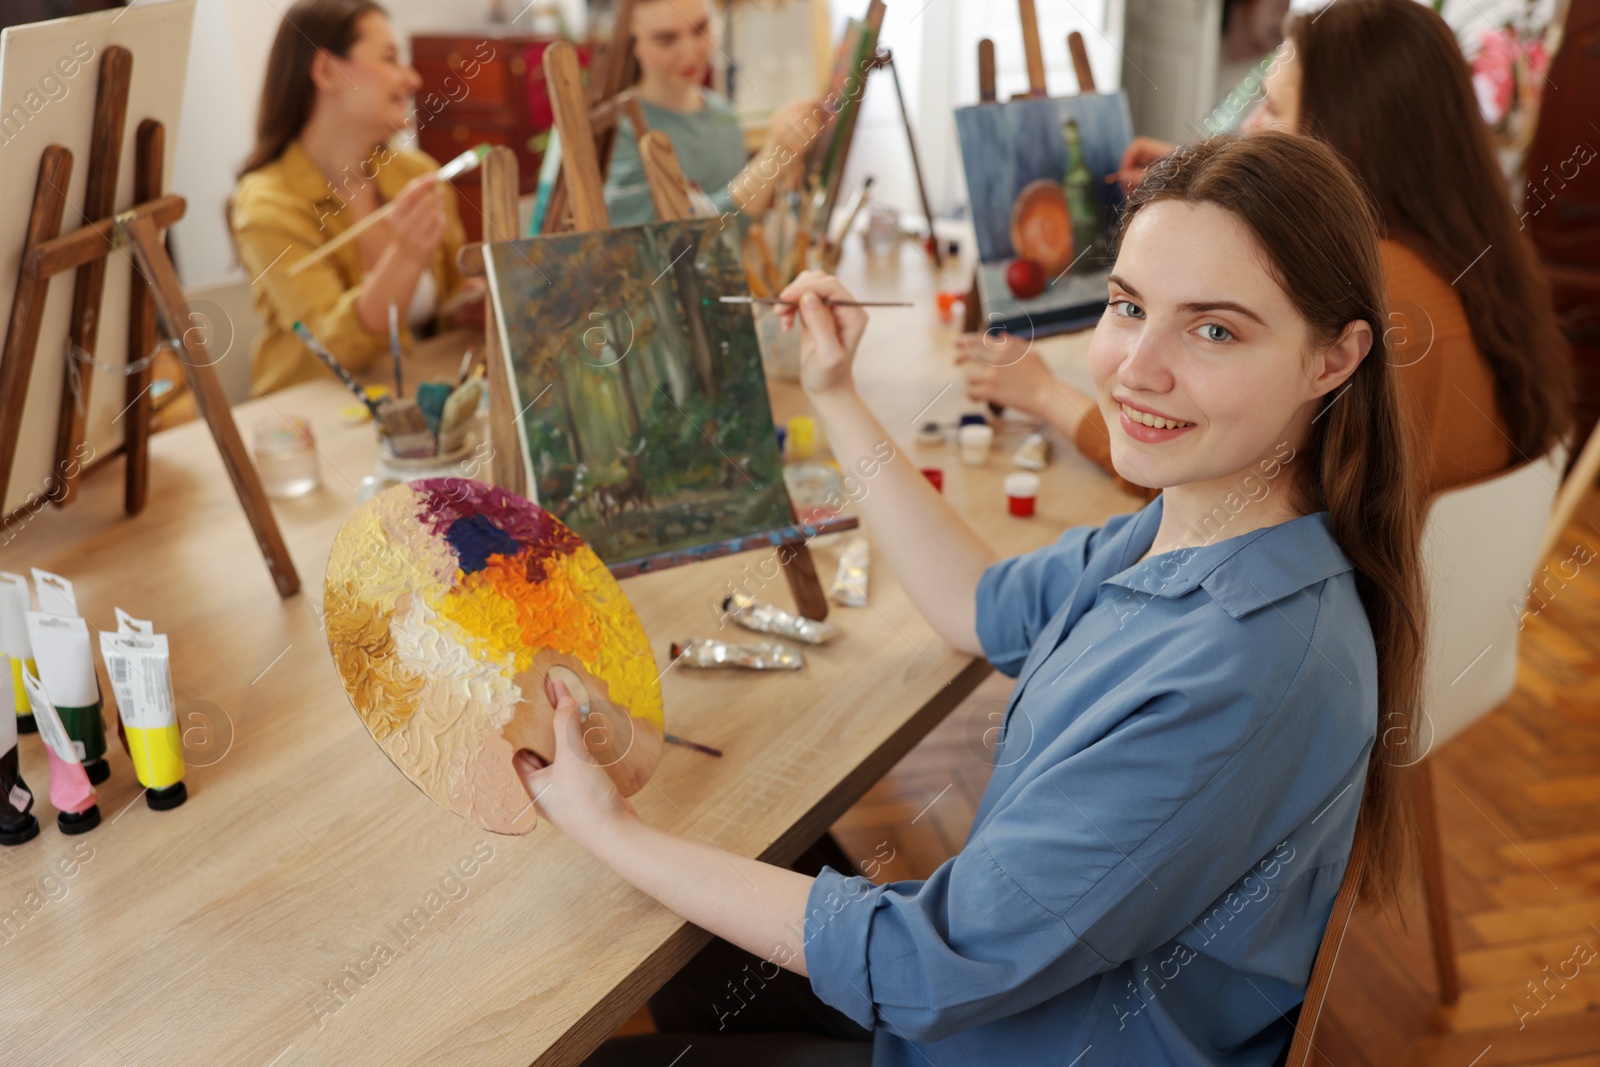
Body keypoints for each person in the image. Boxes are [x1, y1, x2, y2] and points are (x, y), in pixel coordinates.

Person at [518, 132, 1426, 1066]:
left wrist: (604, 825)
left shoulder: (1243, 667)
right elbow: (979, 605)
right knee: (705, 900)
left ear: (1334, 359)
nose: (1134, 368)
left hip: (990, 1035)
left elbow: (926, 970)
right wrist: (835, 392)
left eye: (1215, 329)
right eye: (1128, 305)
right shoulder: (1197, 520)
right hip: (990, 998)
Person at [963, 0, 1571, 502]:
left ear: (1346, 137)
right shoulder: (1473, 254)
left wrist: (1046, 395)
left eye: (1273, 108)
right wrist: (1209, 186)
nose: (1248, 125)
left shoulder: (1368, 297)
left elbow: (1207, 482)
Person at [232, 0, 480, 394]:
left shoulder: (417, 174)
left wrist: (481, 298)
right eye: (390, 58)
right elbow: (330, 349)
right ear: (327, 72)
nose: (412, 79)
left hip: (419, 401)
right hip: (317, 419)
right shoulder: (267, 204)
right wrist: (405, 257)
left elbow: (450, 311)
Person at [603, 0, 816, 226]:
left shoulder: (724, 115)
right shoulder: (619, 131)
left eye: (700, 29)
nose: (690, 52)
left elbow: (737, 235)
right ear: (633, 44)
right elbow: (669, 247)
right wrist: (772, 160)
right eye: (666, 40)